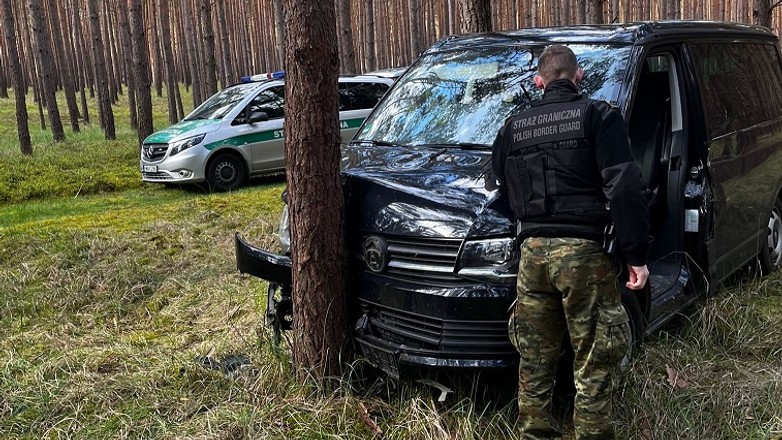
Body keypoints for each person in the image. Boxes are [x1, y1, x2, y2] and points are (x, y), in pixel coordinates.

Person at [491, 45, 650, 439]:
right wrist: (636, 255)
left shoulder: (514, 127)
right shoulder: (598, 116)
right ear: (578, 77)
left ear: (538, 81)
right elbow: (625, 187)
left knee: (535, 355)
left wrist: (528, 225)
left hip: (532, 256)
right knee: (594, 356)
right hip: (584, 253)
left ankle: (534, 432)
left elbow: (498, 183)